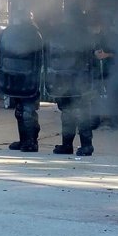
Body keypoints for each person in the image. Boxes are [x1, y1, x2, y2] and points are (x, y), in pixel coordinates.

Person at [0, 8, 43, 152]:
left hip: (30, 78)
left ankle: (31, 142)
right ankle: (24, 140)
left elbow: (39, 58)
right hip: (15, 77)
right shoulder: (11, 32)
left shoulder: (34, 34)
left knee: (28, 111)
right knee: (20, 111)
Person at [45, 23, 96, 156]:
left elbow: (90, 62)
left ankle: (85, 145)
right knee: (69, 114)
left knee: (79, 113)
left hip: (77, 81)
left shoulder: (82, 37)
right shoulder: (65, 37)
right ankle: (68, 145)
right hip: (69, 81)